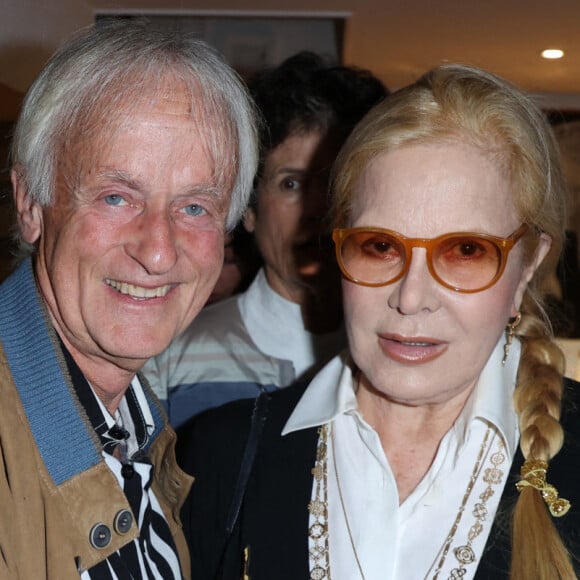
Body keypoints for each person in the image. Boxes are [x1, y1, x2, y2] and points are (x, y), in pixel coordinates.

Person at [179, 64, 580, 579]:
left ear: (526, 268)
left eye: (465, 250)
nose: (411, 299)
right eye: (380, 246)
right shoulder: (223, 455)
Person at [0, 19, 258, 579]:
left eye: (195, 207)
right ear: (29, 203)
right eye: (117, 197)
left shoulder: (141, 435)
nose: (159, 252)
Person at [144, 52, 388, 427]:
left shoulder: (396, 353)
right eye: (291, 183)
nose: (316, 209)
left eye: (336, 182)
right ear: (249, 209)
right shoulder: (174, 356)